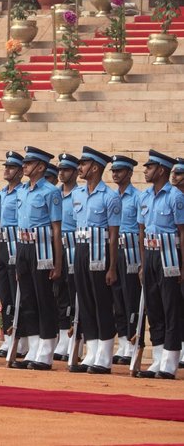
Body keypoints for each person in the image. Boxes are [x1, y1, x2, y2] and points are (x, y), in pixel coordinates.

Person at [11, 146, 63, 370]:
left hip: (42, 248)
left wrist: (58, 263)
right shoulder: (21, 191)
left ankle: (46, 351)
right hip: (23, 247)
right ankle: (34, 349)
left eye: (29, 163)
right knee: (28, 300)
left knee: (44, 300)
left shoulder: (51, 192)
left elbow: (57, 230)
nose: (24, 166)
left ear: (41, 167)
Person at [70, 146, 120, 374]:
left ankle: (105, 355)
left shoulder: (110, 197)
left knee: (101, 302)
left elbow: (113, 235)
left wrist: (112, 266)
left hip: (101, 251)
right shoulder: (77, 194)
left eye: (84, 163)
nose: (79, 167)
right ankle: (92, 352)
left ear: (96, 167)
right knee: (86, 302)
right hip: (81, 249)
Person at [135, 149, 184, 379]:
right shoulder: (144, 197)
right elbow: (141, 232)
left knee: (170, 307)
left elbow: (183, 232)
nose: (145, 171)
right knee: (153, 307)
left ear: (161, 170)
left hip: (170, 255)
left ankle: (170, 360)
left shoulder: (175, 196)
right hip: (151, 254)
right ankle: (157, 358)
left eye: (150, 167)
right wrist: (143, 264)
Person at [110, 154, 142, 365]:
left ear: (130, 173)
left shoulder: (138, 197)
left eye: (119, 171)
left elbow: (142, 229)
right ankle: (122, 342)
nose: (115, 174)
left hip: (131, 251)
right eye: (113, 170)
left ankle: (133, 342)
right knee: (117, 299)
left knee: (131, 299)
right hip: (115, 250)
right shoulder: (112, 197)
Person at [0, 151, 23, 358]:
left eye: (11, 167)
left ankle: (21, 337)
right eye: (6, 166)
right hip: (2, 244)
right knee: (4, 294)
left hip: (15, 243)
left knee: (17, 292)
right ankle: (8, 336)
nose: (7, 170)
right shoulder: (1, 193)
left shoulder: (22, 193)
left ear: (21, 172)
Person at [55, 152, 80, 362]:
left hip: (75, 246)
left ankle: (76, 336)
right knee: (60, 293)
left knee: (75, 292)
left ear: (75, 172)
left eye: (66, 170)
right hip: (57, 246)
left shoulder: (80, 194)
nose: (61, 173)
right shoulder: (54, 194)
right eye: (60, 169)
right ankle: (63, 336)